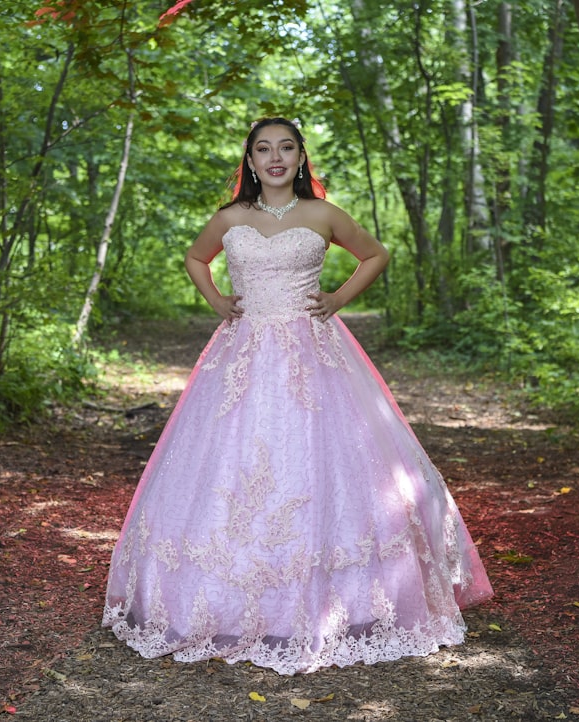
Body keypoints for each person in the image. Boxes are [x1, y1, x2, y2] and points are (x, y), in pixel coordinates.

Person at [102, 117, 492, 675]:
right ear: (251, 161)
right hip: (242, 353)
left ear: (301, 156)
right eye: (264, 149)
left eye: (285, 147)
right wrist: (217, 302)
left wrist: (337, 298)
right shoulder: (231, 217)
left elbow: (375, 254)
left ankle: (343, 602)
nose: (275, 157)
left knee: (323, 461)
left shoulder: (322, 213)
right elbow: (195, 258)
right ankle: (222, 603)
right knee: (227, 463)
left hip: (315, 353)